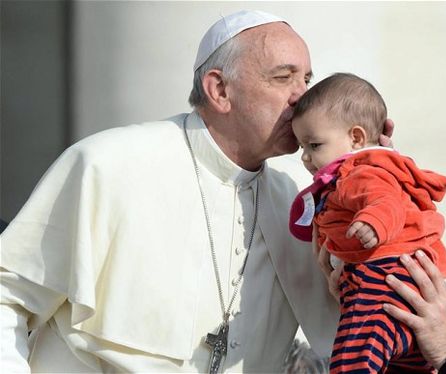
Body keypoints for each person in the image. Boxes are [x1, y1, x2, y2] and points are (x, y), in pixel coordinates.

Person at [1, 10, 342, 373]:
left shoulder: (300, 199)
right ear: (220, 90)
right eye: (283, 78)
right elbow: (7, 295)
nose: (304, 98)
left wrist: (373, 170)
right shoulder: (106, 165)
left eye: (306, 80)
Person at [288, 73, 446, 373]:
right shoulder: (357, 171)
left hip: (380, 281)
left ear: (356, 138)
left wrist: (373, 223)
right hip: (392, 285)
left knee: (353, 357)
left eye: (314, 145)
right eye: (302, 147)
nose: (305, 157)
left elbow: (386, 203)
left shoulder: (361, 173)